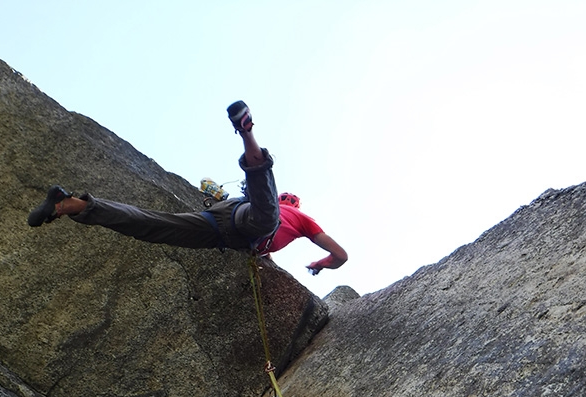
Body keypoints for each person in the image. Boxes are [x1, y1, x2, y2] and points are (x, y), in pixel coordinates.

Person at [27, 101, 347, 275]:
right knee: (265, 216)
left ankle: (69, 204)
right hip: (246, 221)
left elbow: (262, 246)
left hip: (219, 225)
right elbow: (340, 256)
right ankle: (247, 131)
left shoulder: (268, 213)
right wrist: (319, 264)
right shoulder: (300, 220)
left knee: (150, 225)